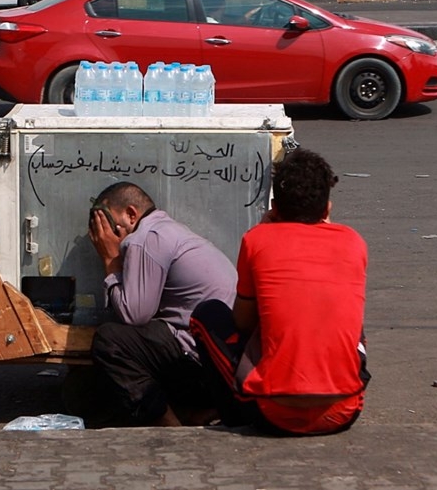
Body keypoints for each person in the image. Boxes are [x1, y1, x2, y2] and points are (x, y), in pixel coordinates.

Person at [190, 148, 370, 436]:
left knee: (206, 314)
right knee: (350, 324)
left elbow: (243, 323)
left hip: (272, 415)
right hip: (345, 411)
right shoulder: (355, 243)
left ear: (274, 208)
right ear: (327, 209)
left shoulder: (256, 240)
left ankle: (234, 416)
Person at [87, 182, 237, 426]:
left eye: (110, 226)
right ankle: (194, 412)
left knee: (110, 341)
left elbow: (133, 314)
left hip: (200, 361)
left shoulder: (144, 238)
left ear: (131, 214)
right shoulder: (169, 230)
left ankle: (168, 423)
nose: (109, 237)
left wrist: (110, 261)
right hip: (221, 361)